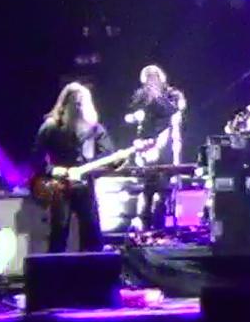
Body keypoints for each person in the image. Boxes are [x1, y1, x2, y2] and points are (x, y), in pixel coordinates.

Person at [35, 83, 109, 255]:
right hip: (59, 187)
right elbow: (36, 158)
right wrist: (52, 170)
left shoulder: (94, 129)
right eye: (75, 102)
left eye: (82, 102)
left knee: (92, 232)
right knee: (59, 231)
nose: (78, 106)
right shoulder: (50, 127)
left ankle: (92, 266)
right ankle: (55, 268)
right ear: (65, 104)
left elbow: (107, 154)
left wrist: (96, 166)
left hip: (84, 186)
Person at [125, 65, 187, 235]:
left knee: (164, 189)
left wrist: (157, 97)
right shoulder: (140, 96)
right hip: (145, 146)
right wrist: (134, 117)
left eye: (154, 77)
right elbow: (129, 114)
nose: (151, 81)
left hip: (166, 145)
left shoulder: (172, 94)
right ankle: (144, 226)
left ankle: (160, 227)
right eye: (148, 77)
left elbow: (175, 110)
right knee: (147, 188)